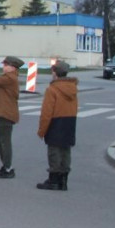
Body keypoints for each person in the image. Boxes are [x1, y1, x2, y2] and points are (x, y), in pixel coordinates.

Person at [36, 59, 77, 191]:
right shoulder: (73, 88)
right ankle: (63, 180)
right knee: (66, 150)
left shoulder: (52, 89)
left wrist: (42, 130)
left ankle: (53, 180)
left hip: (55, 122)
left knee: (54, 151)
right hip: (70, 122)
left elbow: (47, 112)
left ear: (55, 72)